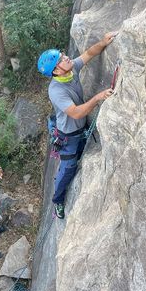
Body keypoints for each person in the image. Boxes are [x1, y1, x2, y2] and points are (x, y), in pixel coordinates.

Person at [38, 32, 117, 219]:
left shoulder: (70, 71)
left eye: (63, 54)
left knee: (80, 154)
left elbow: (88, 54)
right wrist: (97, 98)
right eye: (61, 59)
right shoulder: (56, 90)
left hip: (80, 129)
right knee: (68, 169)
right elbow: (76, 112)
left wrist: (104, 42)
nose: (66, 57)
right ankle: (57, 200)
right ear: (56, 71)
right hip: (68, 135)